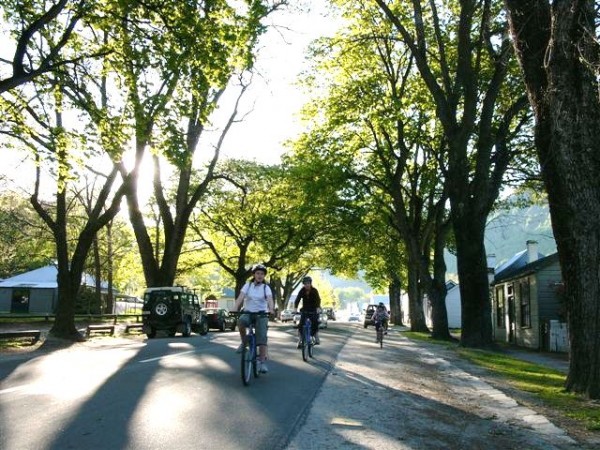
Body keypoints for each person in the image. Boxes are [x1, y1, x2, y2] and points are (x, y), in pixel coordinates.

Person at [233, 263, 275, 374]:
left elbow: (270, 299)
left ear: (264, 276)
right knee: (241, 321)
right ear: (254, 275)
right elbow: (240, 297)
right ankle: (244, 342)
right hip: (248, 312)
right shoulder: (248, 285)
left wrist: (271, 309)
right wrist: (234, 308)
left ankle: (262, 362)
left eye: (262, 274)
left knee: (261, 337)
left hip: (261, 314)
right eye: (258, 273)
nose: (260, 275)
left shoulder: (266, 287)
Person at [293, 276, 322, 348]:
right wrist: (295, 308)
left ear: (310, 283)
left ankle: (316, 337)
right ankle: (300, 341)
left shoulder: (314, 290)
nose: (307, 285)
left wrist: (318, 308)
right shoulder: (302, 290)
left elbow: (318, 300)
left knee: (315, 322)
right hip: (305, 309)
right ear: (304, 284)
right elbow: (297, 299)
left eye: (308, 283)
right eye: (305, 283)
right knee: (300, 325)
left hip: (313, 309)